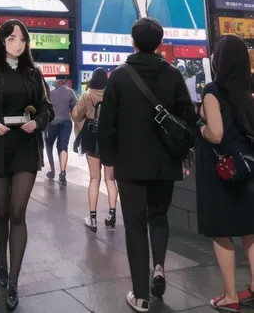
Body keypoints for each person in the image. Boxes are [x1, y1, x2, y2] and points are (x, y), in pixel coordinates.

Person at [98, 18, 197, 313]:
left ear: (133, 42)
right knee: (159, 216)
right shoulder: (173, 75)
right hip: (165, 162)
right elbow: (187, 119)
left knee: (135, 225)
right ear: (159, 43)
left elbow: (107, 126)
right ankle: (159, 266)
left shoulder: (119, 76)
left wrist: (108, 160)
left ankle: (140, 296)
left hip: (130, 164)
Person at [0, 19, 54, 311]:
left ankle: (14, 280)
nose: (18, 44)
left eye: (22, 39)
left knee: (18, 212)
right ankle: (2, 264)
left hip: (25, 149)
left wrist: (38, 122)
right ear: (2, 41)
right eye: (12, 38)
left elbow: (48, 108)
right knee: (1, 211)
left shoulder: (34, 74)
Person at [197, 35, 254, 312]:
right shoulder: (249, 89)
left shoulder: (213, 90)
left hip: (225, 173)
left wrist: (201, 129)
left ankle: (231, 296)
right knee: (251, 231)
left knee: (222, 232)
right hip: (250, 168)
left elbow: (217, 134)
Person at [72, 67, 118, 231]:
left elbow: (77, 116)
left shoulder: (87, 95)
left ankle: (92, 219)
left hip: (92, 138)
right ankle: (112, 216)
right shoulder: (113, 93)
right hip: (110, 139)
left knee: (94, 178)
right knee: (110, 179)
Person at [45, 77, 77, 186]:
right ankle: (62, 173)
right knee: (63, 147)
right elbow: (75, 110)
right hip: (66, 122)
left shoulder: (50, 92)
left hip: (52, 122)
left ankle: (52, 171)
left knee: (49, 144)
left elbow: (44, 107)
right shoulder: (70, 92)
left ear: (56, 81)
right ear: (66, 81)